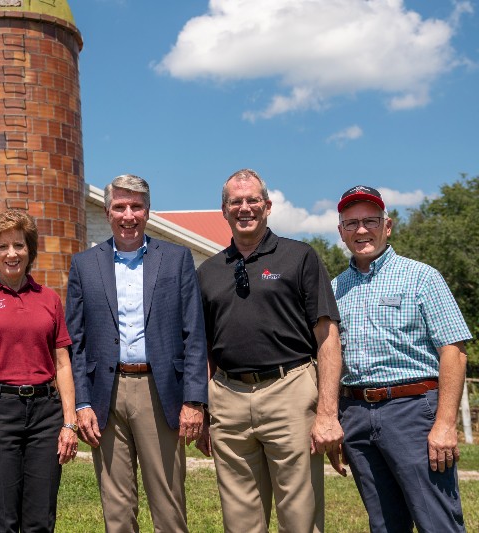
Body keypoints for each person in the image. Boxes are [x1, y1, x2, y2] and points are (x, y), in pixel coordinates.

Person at [195, 169, 343, 533]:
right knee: (240, 519)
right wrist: (202, 408)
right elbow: (203, 348)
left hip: (289, 391)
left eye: (252, 200)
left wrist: (327, 412)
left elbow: (327, 336)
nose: (245, 208)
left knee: (300, 516)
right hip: (228, 397)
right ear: (224, 210)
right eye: (236, 202)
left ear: (267, 206)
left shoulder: (300, 257)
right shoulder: (209, 271)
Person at [65, 174, 207, 533]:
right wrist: (82, 403)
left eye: (136, 206)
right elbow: (75, 342)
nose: (128, 215)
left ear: (147, 210)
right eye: (119, 207)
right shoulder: (84, 265)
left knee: (169, 505)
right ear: (108, 211)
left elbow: (194, 334)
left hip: (160, 391)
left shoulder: (176, 259)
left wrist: (194, 400)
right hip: (105, 395)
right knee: (117, 508)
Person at [332, 185, 471, 532]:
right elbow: (332, 360)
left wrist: (444, 423)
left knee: (436, 519)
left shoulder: (422, 277)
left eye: (370, 221)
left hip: (413, 412)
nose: (361, 230)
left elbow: (454, 352)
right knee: (384, 523)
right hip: (356, 414)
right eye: (351, 224)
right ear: (341, 232)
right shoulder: (334, 289)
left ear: (387, 225)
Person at [0, 209, 77, 532]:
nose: (12, 253)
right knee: (1, 520)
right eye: (3, 246)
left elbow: (63, 363)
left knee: (40, 521)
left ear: (30, 250)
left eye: (19, 245)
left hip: (45, 415)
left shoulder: (49, 299)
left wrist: (69, 422)